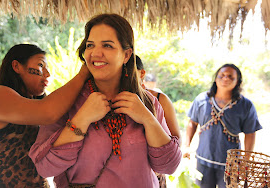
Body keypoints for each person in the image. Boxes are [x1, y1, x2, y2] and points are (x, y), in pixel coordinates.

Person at [29, 13, 181, 188]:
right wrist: (82, 119)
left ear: (126, 55)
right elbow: (45, 167)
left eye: (107, 45)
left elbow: (169, 166)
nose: (96, 53)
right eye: (90, 45)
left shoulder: (147, 102)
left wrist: (148, 119)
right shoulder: (69, 101)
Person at [0, 44, 90, 187]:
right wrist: (83, 74)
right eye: (41, 65)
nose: (47, 74)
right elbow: (48, 112)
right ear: (16, 66)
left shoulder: (35, 103)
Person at [183, 64, 262, 188]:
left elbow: (250, 133)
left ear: (238, 82)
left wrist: (246, 160)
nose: (225, 78)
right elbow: (192, 123)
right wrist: (186, 146)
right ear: (216, 78)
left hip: (231, 165)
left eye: (231, 77)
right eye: (222, 75)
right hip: (204, 160)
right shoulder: (202, 100)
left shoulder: (245, 105)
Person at [136, 55, 181, 188]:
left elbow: (176, 139)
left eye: (130, 71)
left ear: (142, 73)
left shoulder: (160, 99)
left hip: (156, 175)